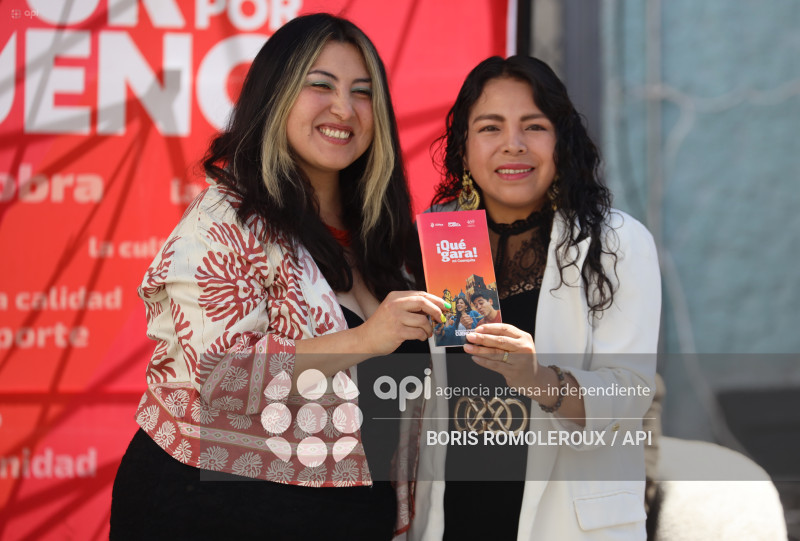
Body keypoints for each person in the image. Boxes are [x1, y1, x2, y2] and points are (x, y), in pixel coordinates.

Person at [110, 14, 445, 540]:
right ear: (275, 95)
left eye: (362, 93)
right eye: (321, 85)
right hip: (215, 509)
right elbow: (222, 378)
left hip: (346, 515)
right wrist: (366, 339)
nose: (345, 109)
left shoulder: (382, 239)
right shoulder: (226, 219)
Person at [409, 55, 661, 540]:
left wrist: (538, 379)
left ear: (561, 140)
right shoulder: (439, 239)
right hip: (454, 519)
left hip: (566, 525)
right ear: (464, 147)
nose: (513, 144)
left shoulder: (616, 242)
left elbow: (630, 391)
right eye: (490, 127)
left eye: (534, 126)